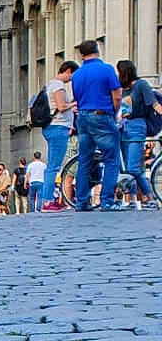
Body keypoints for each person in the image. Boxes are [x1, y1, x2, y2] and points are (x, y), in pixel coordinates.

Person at [70, 40, 122, 212]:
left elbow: (77, 97)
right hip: (102, 115)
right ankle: (106, 201)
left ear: (81, 55)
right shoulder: (106, 69)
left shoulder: (76, 75)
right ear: (97, 51)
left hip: (83, 117)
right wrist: (113, 112)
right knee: (111, 159)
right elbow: (117, 95)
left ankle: (81, 201)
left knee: (84, 160)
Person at [116, 60, 158, 209]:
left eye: (118, 72)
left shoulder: (141, 85)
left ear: (124, 72)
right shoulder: (122, 89)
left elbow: (154, 104)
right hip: (122, 128)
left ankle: (150, 198)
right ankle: (132, 200)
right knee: (127, 168)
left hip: (136, 126)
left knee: (134, 168)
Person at [40, 60, 77, 210]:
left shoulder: (50, 84)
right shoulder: (58, 85)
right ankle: (47, 201)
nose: (71, 79)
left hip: (53, 127)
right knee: (53, 166)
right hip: (58, 127)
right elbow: (61, 106)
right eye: (72, 75)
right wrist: (73, 105)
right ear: (67, 71)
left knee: (53, 165)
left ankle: (47, 200)